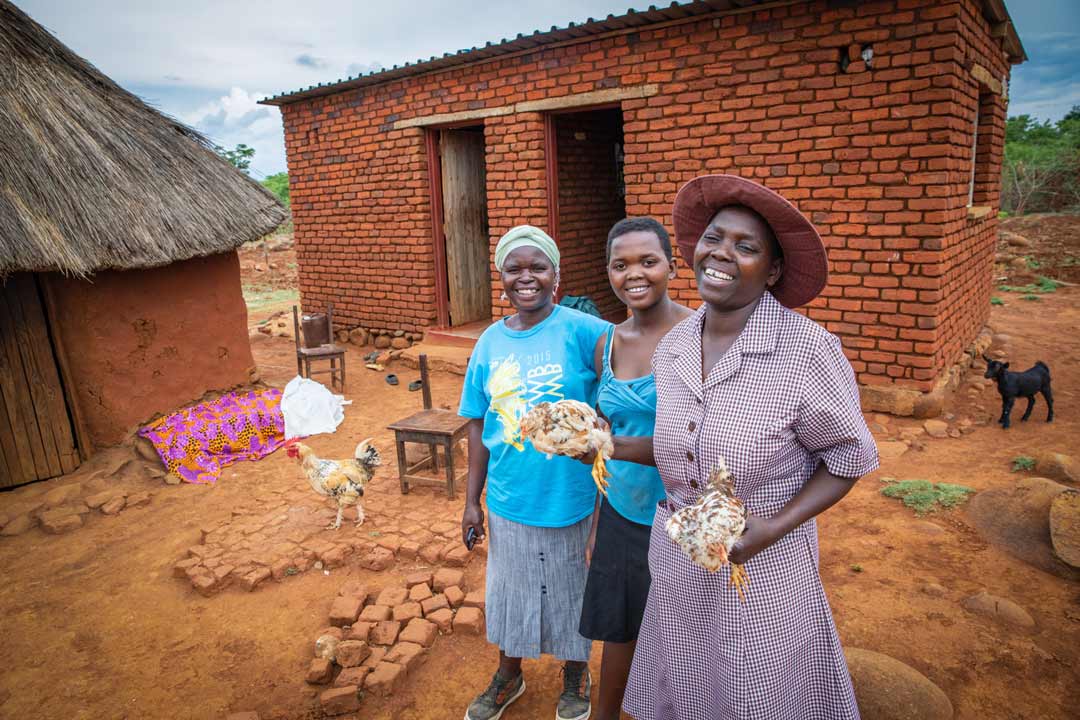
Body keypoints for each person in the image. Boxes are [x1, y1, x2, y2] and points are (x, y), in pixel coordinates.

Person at [622, 175, 879, 720]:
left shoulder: (807, 352)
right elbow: (681, 448)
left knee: (754, 692)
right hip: (681, 559)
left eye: (747, 247)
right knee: (686, 678)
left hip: (763, 567)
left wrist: (772, 528)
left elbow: (848, 459)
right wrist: (604, 445)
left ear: (774, 270)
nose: (721, 254)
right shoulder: (674, 348)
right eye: (714, 238)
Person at [459, 225, 611, 720]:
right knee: (510, 591)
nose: (526, 278)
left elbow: (616, 405)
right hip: (510, 496)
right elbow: (478, 424)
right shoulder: (488, 342)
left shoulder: (586, 332)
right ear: (501, 276)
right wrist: (470, 502)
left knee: (573, 588)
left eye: (537, 267)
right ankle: (509, 672)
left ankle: (575, 671)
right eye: (514, 269)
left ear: (556, 275)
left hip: (573, 496)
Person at [577, 217, 693, 720]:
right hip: (624, 508)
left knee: (683, 633)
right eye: (621, 265)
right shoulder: (610, 343)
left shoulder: (700, 335)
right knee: (621, 627)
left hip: (683, 514)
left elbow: (698, 441)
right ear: (609, 272)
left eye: (648, 261)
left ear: (671, 265)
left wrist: (610, 444)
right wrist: (588, 440)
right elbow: (607, 424)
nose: (635, 274)